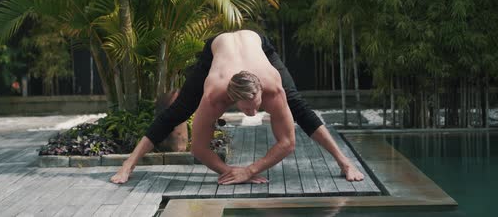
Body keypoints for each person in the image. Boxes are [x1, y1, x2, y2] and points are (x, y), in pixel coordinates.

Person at [110, 30, 364, 185]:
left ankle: (344, 162)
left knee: (298, 105)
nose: (254, 114)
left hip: (256, 44)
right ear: (231, 100)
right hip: (217, 49)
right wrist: (232, 172)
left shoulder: (273, 89)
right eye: (248, 110)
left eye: (256, 107)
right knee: (178, 111)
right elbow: (199, 148)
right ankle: (128, 164)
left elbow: (288, 142)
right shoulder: (213, 96)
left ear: (261, 92)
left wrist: (250, 170)